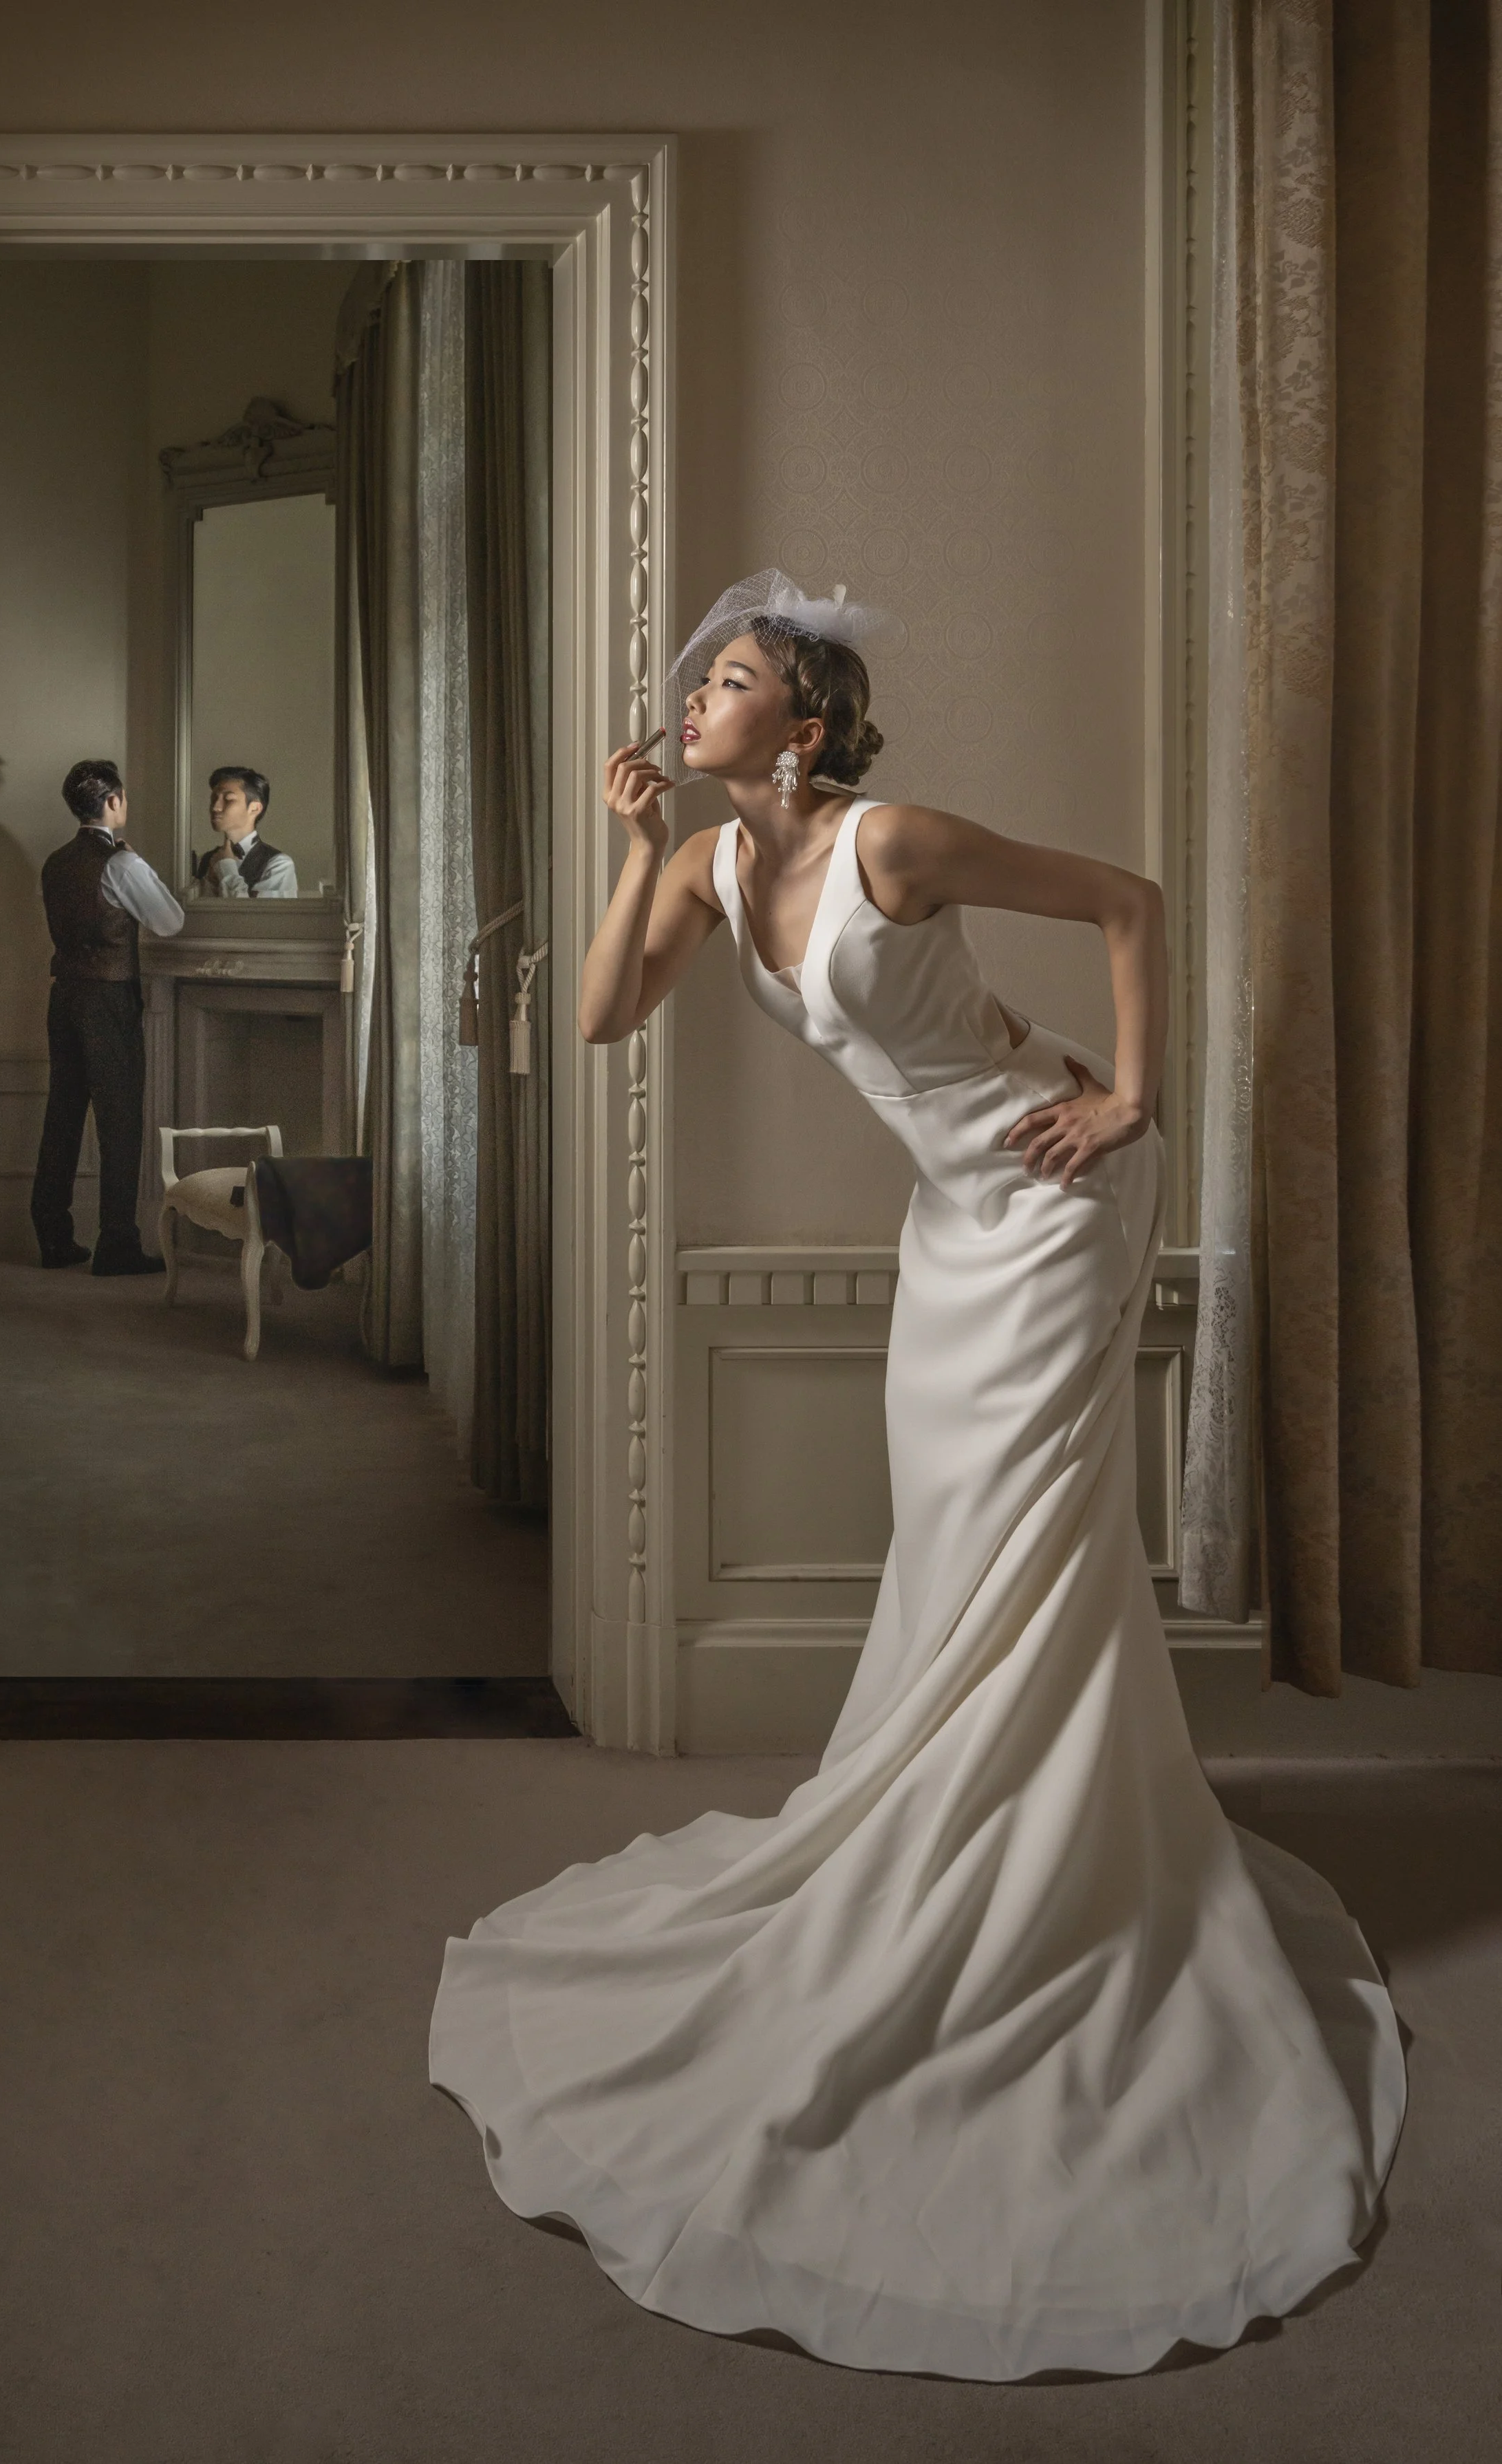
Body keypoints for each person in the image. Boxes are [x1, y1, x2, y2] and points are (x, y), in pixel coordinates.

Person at [429, 572, 1404, 2379]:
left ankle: (1034, 1875)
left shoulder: (891, 841)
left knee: (1029, 1529)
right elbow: (601, 1016)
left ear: (799, 725)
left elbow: (1129, 900)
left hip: (1054, 1200)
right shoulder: (712, 866)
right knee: (958, 1540)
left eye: (729, 678)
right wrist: (634, 849)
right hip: (951, 1223)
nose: (694, 696)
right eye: (698, 679)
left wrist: (1132, 1095)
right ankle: (965, 1825)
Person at [30, 758, 184, 1275]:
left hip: (64, 997)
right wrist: (136, 860)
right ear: (113, 801)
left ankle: (53, 1237)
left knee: (63, 1113)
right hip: (108, 1000)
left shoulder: (55, 862)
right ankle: (117, 1243)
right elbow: (169, 921)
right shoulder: (121, 863)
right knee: (119, 1120)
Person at [193, 766, 299, 899]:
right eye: (214, 799)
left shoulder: (279, 865)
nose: (215, 808)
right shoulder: (204, 860)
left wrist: (226, 868)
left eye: (228, 799)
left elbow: (255, 913)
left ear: (255, 808)